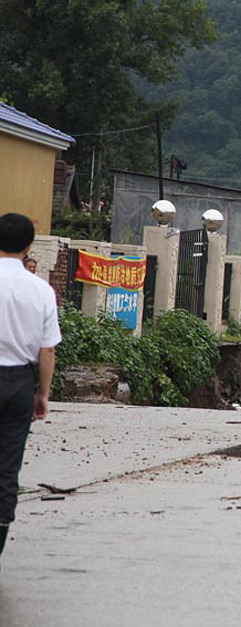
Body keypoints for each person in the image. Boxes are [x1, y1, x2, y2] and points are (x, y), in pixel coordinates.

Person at [0, 213, 60, 567]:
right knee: (7, 467)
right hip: (19, 383)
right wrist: (42, 394)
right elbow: (47, 350)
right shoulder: (40, 290)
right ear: (28, 247)